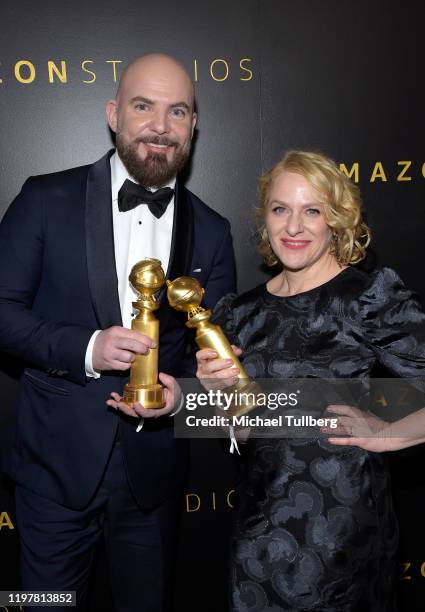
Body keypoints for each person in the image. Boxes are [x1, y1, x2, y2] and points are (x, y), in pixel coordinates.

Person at [0, 53, 236, 611]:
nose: (160, 124)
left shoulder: (213, 230)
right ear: (113, 115)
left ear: (194, 126)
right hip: (54, 477)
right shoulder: (44, 199)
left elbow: (217, 357)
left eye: (177, 110)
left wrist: (183, 394)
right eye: (143, 106)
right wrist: (88, 348)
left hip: (152, 484)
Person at [196, 150, 425, 611]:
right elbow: (239, 432)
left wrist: (389, 432)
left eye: (312, 210)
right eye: (281, 209)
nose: (294, 226)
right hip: (257, 532)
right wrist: (219, 400)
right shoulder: (239, 314)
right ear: (266, 218)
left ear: (336, 221)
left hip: (343, 538)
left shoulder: (365, 296)